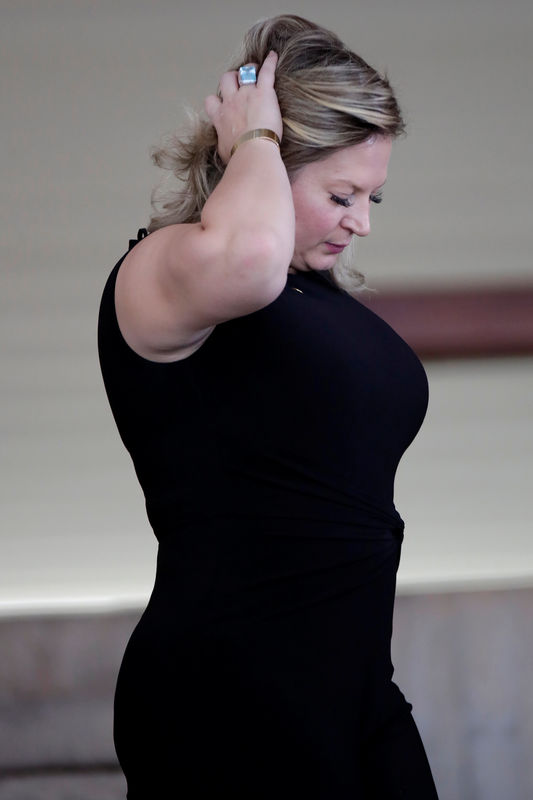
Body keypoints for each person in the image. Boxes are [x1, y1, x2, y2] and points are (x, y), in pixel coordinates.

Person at [98, 14, 439, 799]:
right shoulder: (167, 264)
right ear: (260, 161)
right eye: (340, 193)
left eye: (372, 198)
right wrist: (252, 137)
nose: (359, 221)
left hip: (351, 688)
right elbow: (248, 258)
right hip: (230, 690)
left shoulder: (306, 297)